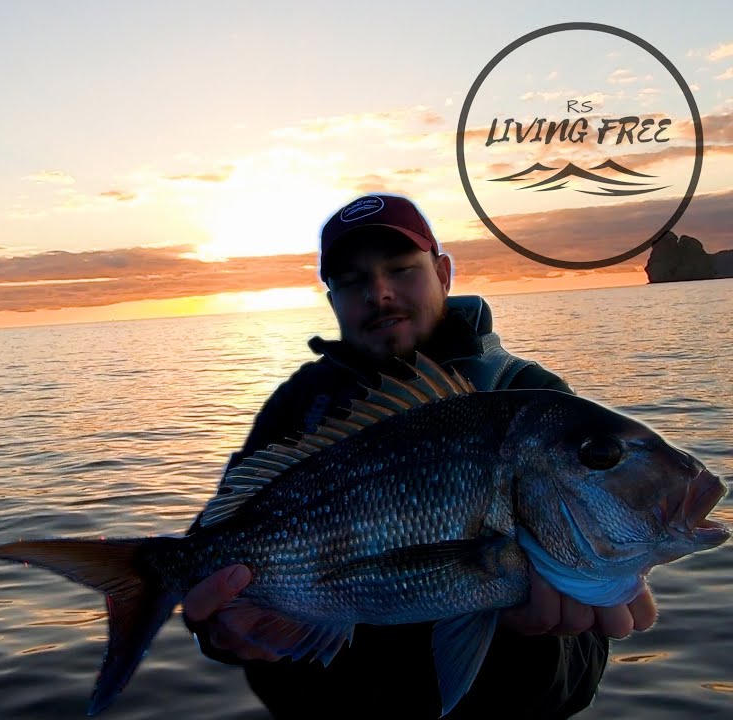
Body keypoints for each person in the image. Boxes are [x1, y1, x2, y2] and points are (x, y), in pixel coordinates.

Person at [181, 194, 658, 719]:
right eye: (352, 280)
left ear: (444, 273)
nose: (379, 293)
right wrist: (224, 633)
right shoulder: (298, 406)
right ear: (333, 298)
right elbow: (213, 552)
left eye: (401, 269)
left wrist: (537, 639)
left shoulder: (534, 404)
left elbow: (573, 682)